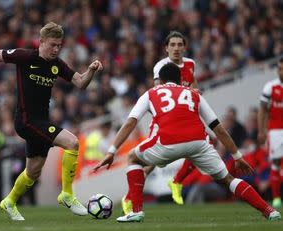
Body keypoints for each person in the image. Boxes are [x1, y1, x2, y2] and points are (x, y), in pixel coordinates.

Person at [94, 62, 280, 222]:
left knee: (133, 157)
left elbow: (130, 122)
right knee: (228, 180)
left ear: (159, 79)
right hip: (198, 143)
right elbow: (218, 128)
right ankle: (269, 211)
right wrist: (237, 156)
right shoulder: (194, 94)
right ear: (179, 79)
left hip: (167, 142)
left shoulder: (151, 93)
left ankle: (136, 211)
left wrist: (111, 151)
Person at [0, 22, 103, 221]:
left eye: (59, 45)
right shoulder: (26, 57)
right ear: (41, 42)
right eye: (53, 45)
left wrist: (91, 70)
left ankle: (9, 202)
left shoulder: (56, 65)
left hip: (40, 122)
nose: (56, 49)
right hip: (26, 120)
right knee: (73, 143)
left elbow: (80, 83)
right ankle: (67, 195)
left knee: (33, 172)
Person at [122, 31, 200, 213]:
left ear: (184, 47)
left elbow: (194, 85)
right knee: (149, 165)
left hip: (186, 116)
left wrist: (196, 91)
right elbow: (159, 92)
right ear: (166, 48)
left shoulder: (190, 64)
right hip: (164, 120)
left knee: (202, 147)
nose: (176, 48)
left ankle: (176, 182)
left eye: (180, 44)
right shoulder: (161, 66)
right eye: (172, 45)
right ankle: (129, 198)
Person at [258, 57, 283, 208]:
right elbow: (262, 109)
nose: (282, 71)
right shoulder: (270, 87)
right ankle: (276, 198)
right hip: (276, 131)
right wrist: (262, 130)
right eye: (280, 68)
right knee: (276, 163)